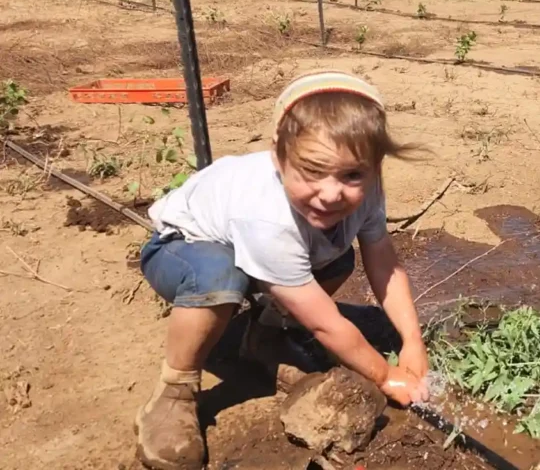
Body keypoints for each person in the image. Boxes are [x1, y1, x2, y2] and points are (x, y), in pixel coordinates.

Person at [133, 72, 430, 470]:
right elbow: (324, 323)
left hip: (251, 249)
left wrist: (412, 340)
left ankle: (264, 340)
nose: (330, 193)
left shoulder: (368, 188)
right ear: (278, 156)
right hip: (178, 250)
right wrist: (384, 374)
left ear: (374, 166)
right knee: (219, 277)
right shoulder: (266, 216)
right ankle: (174, 392)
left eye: (352, 175)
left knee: (337, 255)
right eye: (311, 171)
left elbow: (384, 261)